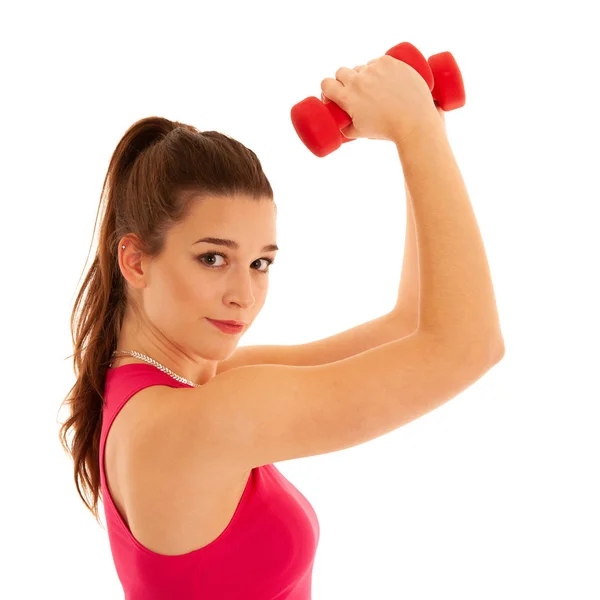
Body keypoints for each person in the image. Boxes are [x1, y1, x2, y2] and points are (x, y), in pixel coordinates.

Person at [58, 55, 504, 598]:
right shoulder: (194, 422)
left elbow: (412, 322)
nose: (244, 295)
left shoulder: (191, 389)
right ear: (135, 262)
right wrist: (411, 129)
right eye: (213, 259)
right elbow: (468, 345)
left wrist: (428, 128)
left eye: (260, 263)